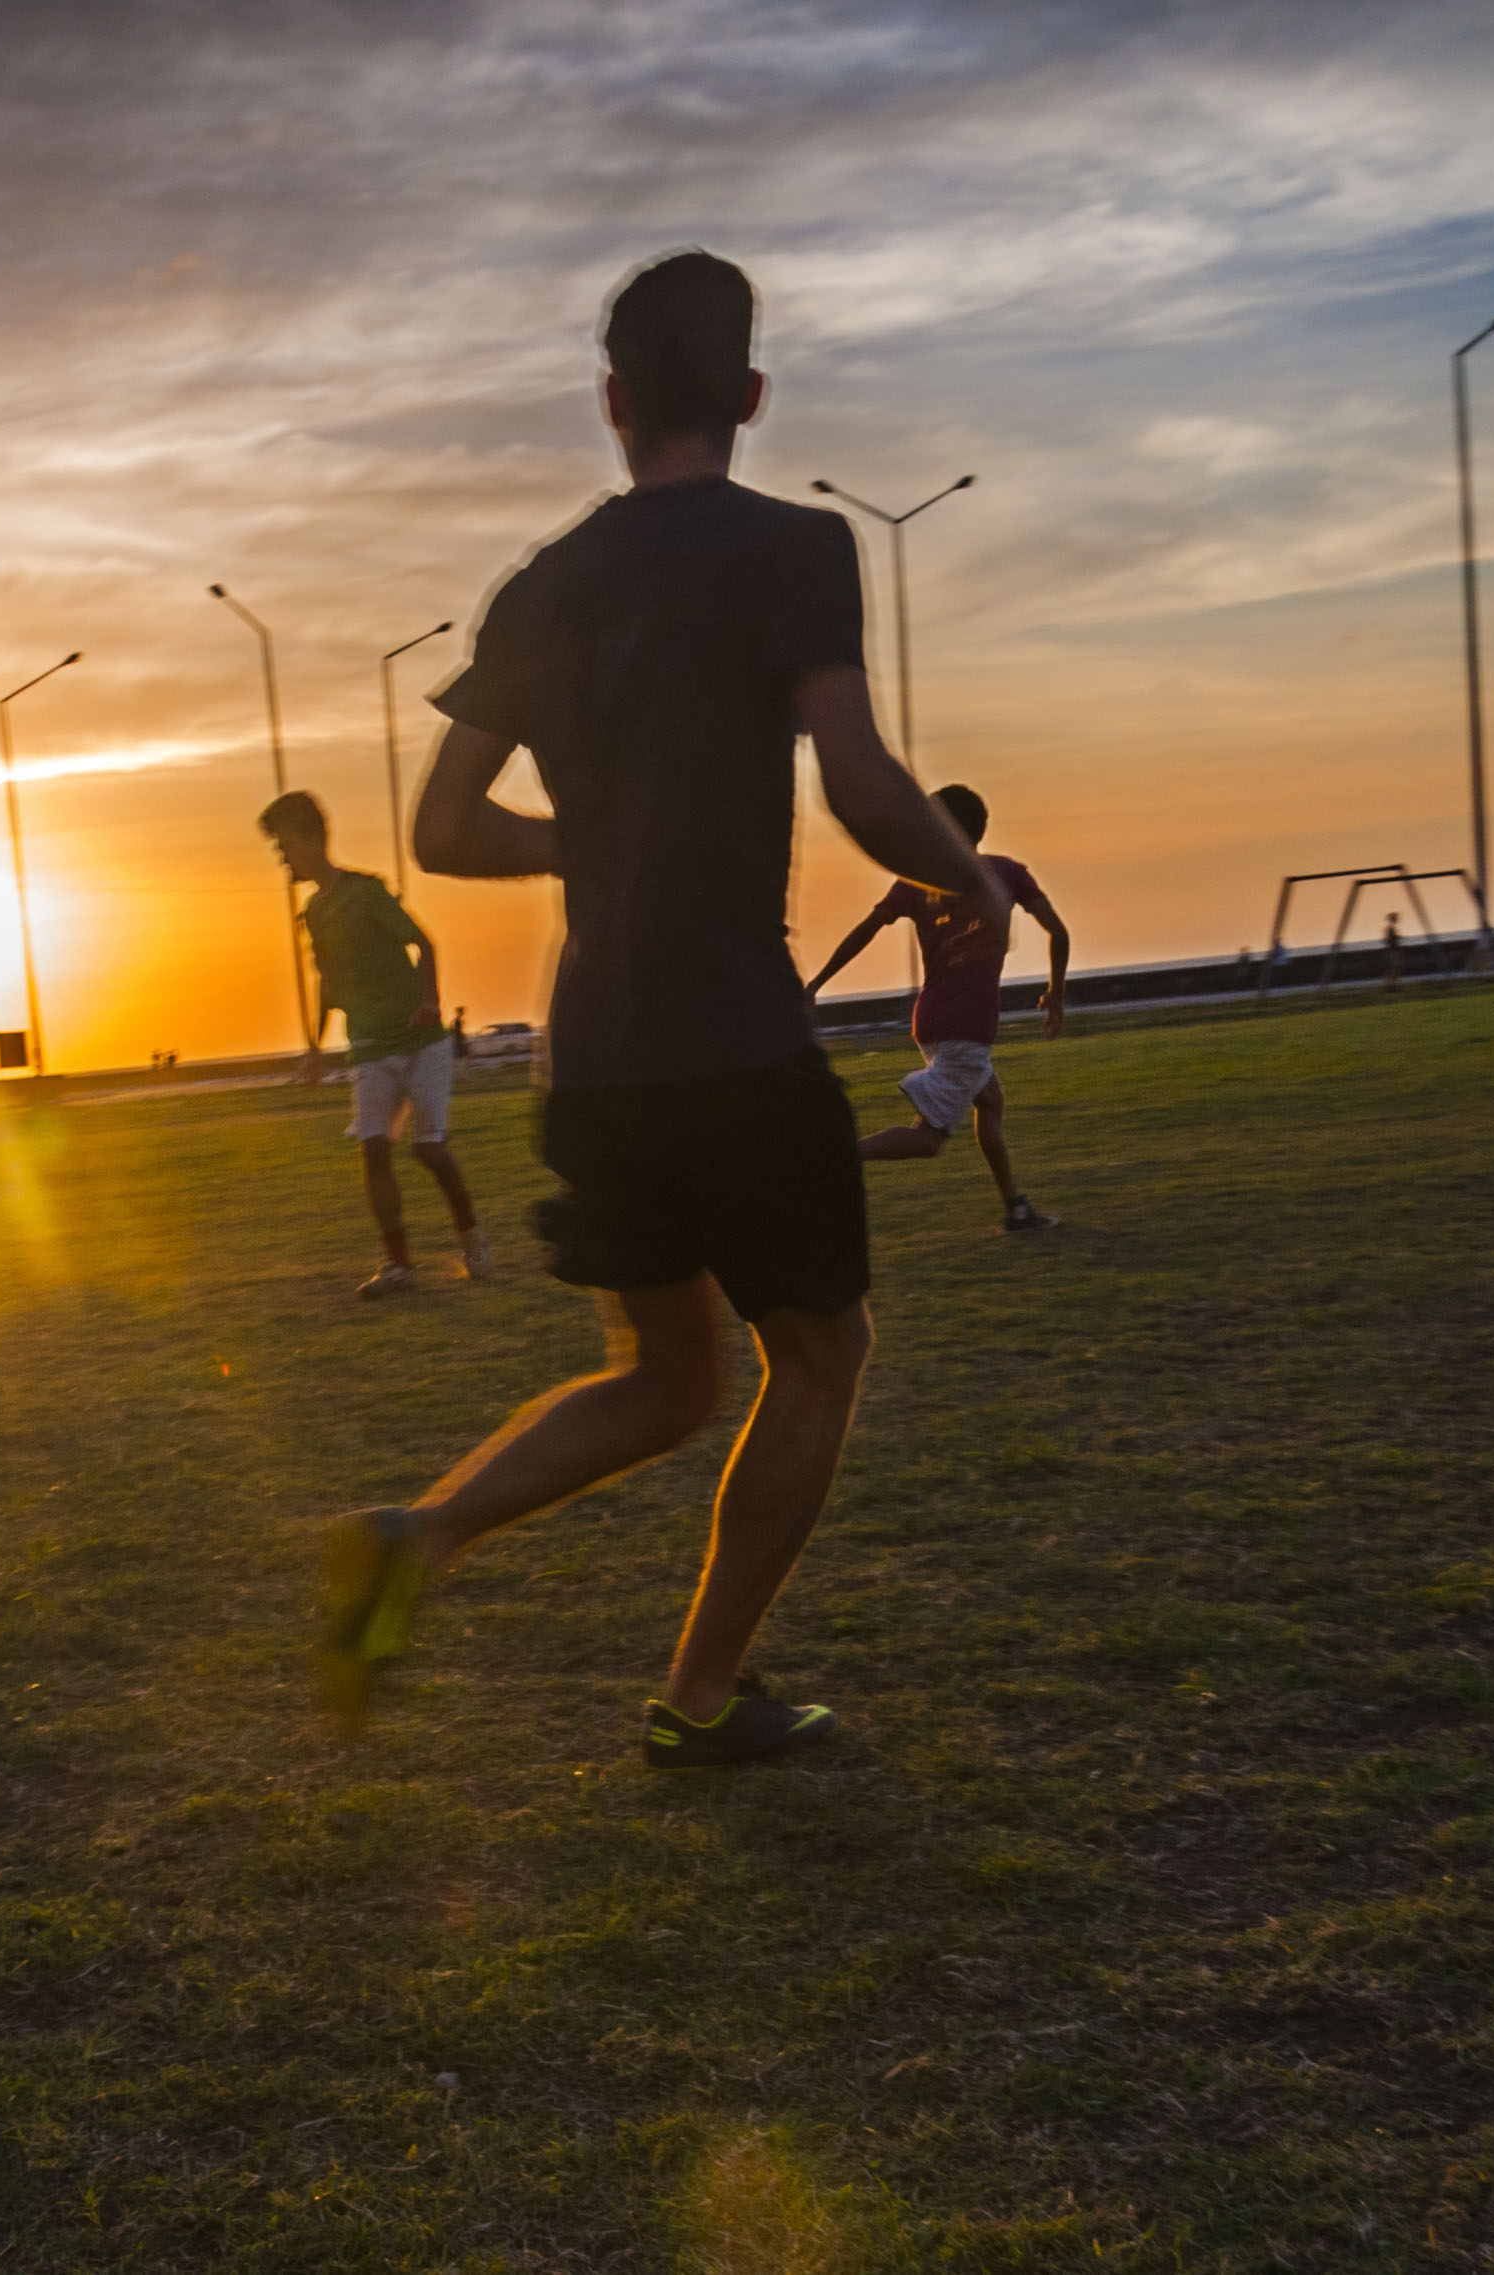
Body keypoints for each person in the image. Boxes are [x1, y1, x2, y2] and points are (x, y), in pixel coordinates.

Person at [314, 247, 1009, 1769]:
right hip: (734, 1038)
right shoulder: (795, 546)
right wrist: (976, 879)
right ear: (752, 395)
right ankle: (699, 1697)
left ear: (614, 401)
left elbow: (443, 831)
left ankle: (419, 1536)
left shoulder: (544, 583)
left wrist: (597, 836)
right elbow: (866, 781)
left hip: (599, 1055)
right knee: (818, 1358)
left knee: (670, 1373)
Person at [800, 782, 1068, 1233]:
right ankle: (829, 1156)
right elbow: (1058, 933)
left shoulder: (917, 880)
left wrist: (817, 983)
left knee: (991, 1101)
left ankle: (1016, 1208)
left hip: (933, 1019)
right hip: (965, 1026)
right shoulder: (1007, 873)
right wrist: (1055, 994)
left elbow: (867, 929)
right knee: (928, 1140)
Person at [261, 790, 489, 1298]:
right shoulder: (315, 912)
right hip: (369, 1046)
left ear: (312, 839)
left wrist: (431, 999)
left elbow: (423, 942)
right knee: (374, 1153)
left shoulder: (365, 893)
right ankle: (399, 1265)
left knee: (429, 1150)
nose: (282, 857)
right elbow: (328, 980)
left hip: (421, 1040)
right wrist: (316, 1048)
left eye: (285, 845)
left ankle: (472, 1237)